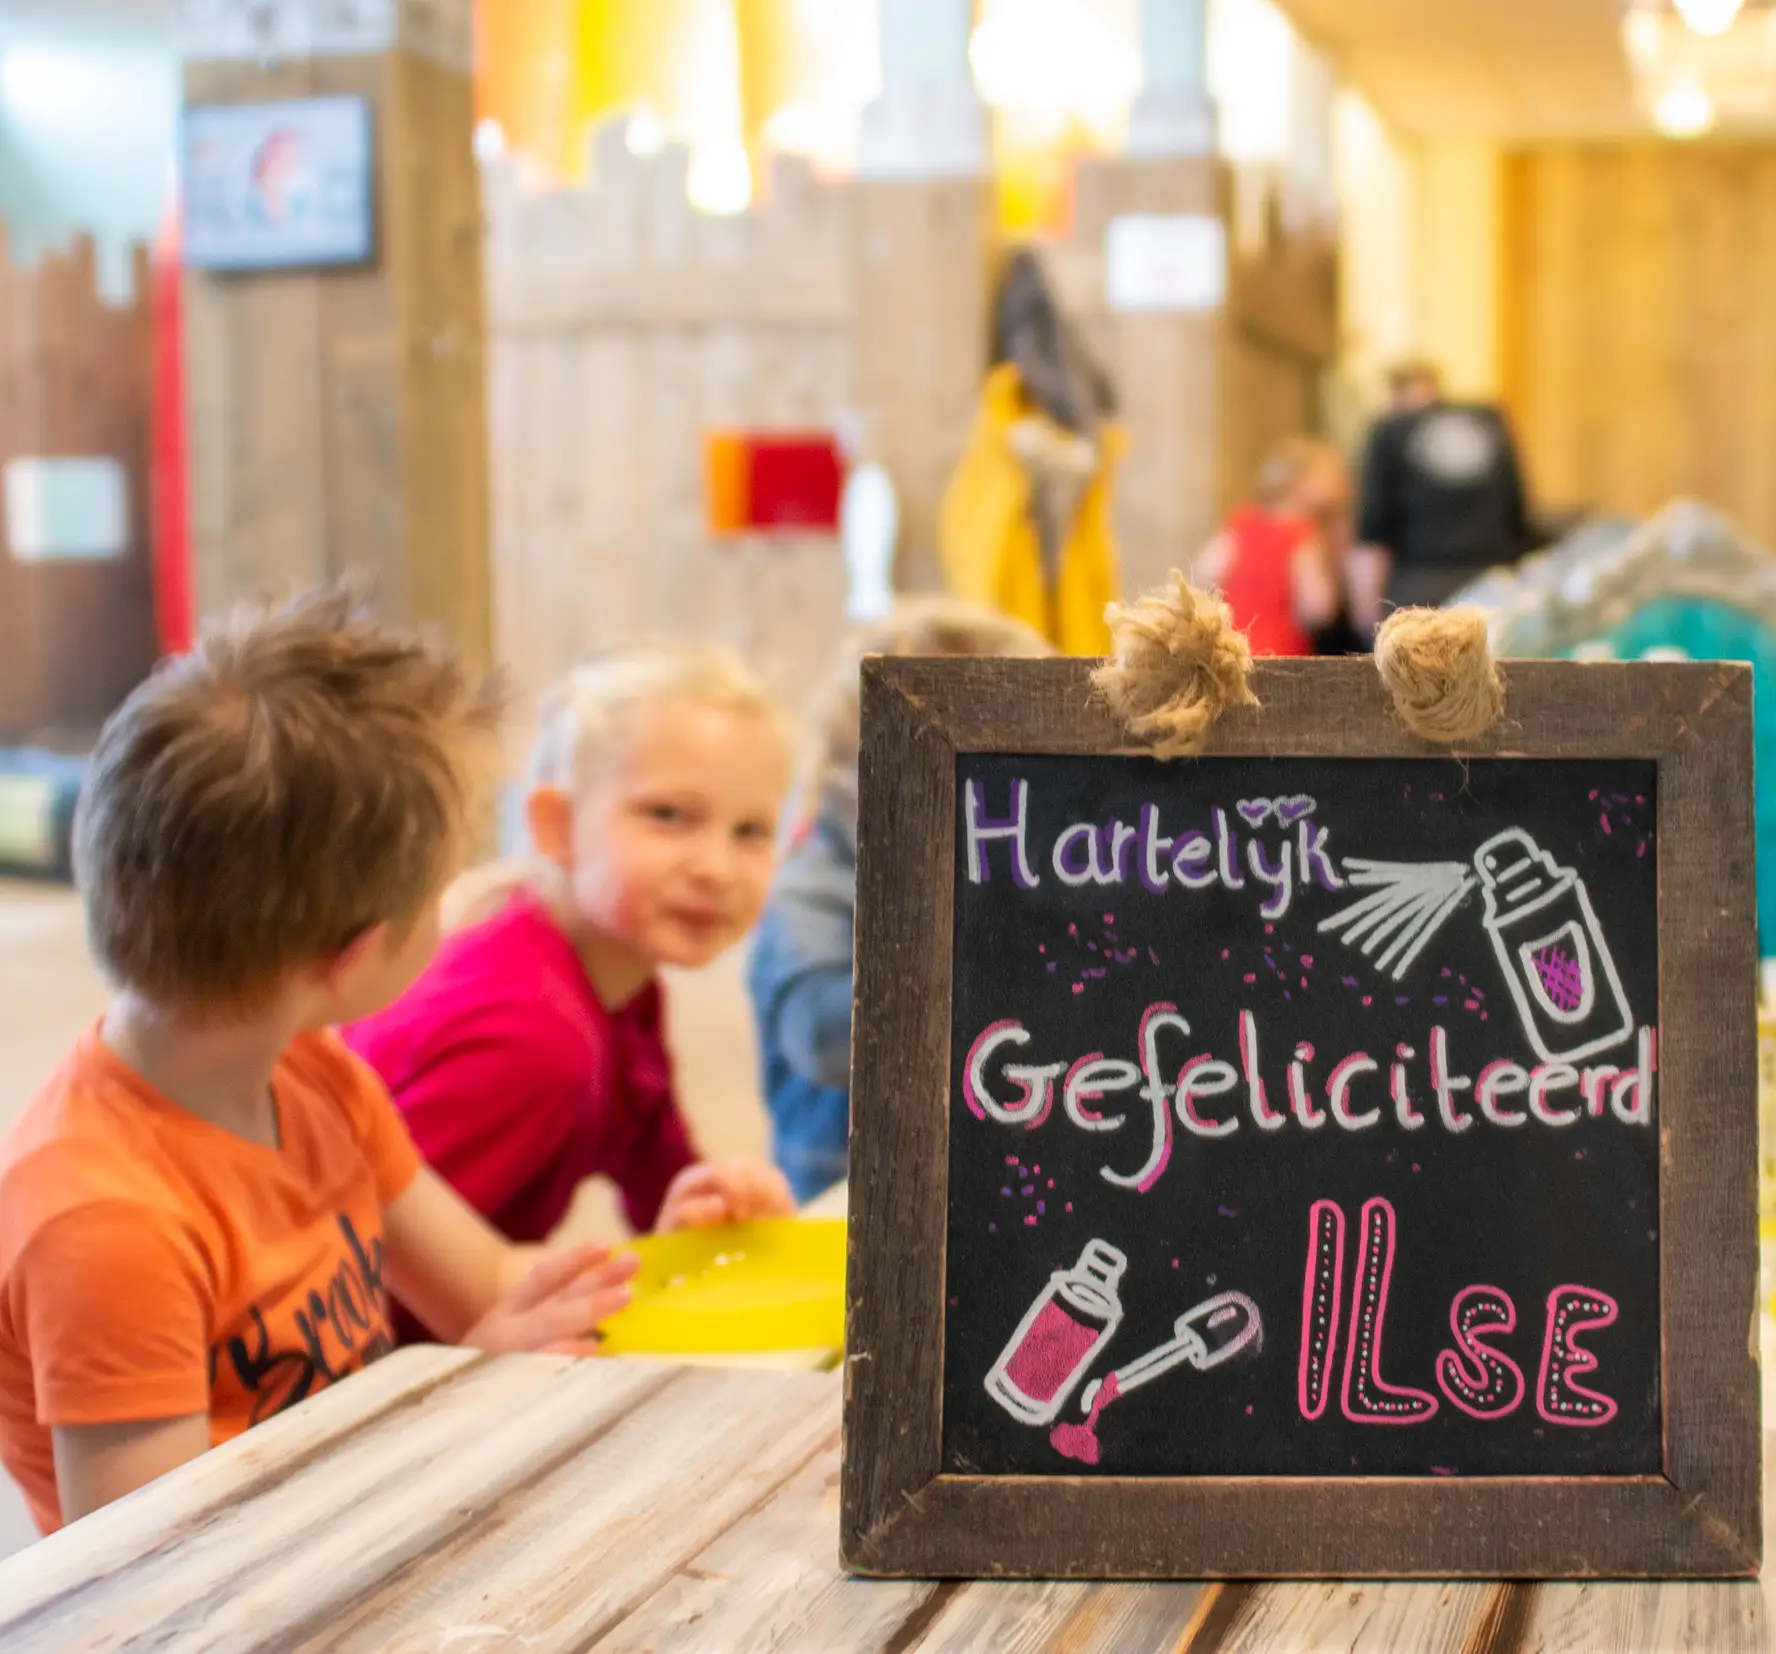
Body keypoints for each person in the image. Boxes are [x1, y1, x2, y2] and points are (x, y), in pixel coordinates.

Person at [0, 592, 639, 1535]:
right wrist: (453, 1407)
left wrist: (681, 1253)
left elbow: (494, 1283)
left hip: (364, 1524)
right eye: (438, 891)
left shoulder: (311, 1075)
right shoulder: (104, 1223)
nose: (464, 898)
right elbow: (149, 1569)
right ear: (348, 961)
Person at [347, 642, 797, 1329]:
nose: (716, 866)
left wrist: (705, 1213)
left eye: (750, 831)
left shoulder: (626, 989)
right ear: (555, 826)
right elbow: (360, 1272)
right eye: (669, 815)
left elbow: (659, 1195)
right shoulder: (534, 1038)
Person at [747, 601, 1054, 1202]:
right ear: (854, 758)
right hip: (842, 1190)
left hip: (977, 1177)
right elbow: (821, 1036)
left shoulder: (1034, 867)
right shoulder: (816, 880)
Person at [1355, 360, 1536, 612]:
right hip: (1493, 582)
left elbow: (1373, 533)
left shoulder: (1391, 430)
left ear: (1396, 393)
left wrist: (1366, 610)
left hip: (1421, 583)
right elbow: (1518, 508)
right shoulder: (1489, 421)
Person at [1193, 438, 1350, 658]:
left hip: (1231, 650)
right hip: (1282, 652)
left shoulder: (1243, 523)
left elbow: (1205, 572)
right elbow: (1317, 608)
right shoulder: (1302, 535)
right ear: (1300, 481)